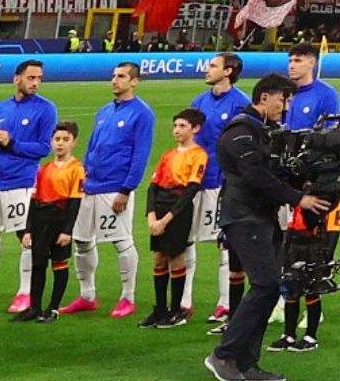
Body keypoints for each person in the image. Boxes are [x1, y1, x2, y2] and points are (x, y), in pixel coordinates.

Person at [207, 74, 331, 381]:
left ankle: (247, 362)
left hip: (260, 216)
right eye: (282, 99)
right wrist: (298, 198)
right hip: (243, 216)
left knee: (272, 285)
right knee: (265, 284)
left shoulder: (262, 130)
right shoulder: (241, 130)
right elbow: (255, 175)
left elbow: (270, 172)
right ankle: (224, 354)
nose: (285, 106)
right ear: (264, 97)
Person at [66, 61, 155, 318]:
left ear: (134, 81)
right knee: (81, 241)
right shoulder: (104, 111)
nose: (115, 81)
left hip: (115, 187)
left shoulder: (142, 113)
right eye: (114, 76)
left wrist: (126, 189)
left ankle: (128, 297)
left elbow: (141, 154)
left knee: (121, 241)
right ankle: (87, 295)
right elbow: (92, 146)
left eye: (121, 76)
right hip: (90, 186)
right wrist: (83, 175)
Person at [0, 59, 57, 313]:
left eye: (39, 78)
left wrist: (11, 142)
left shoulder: (46, 109)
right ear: (16, 79)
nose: (36, 83)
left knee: (26, 236)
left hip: (22, 182)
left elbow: (44, 148)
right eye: (31, 78)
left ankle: (25, 293)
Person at [184, 52, 252, 320]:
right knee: (186, 240)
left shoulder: (240, 104)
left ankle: (224, 302)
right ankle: (184, 300)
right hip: (192, 182)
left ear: (228, 71)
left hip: (221, 183)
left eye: (212, 66)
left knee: (223, 243)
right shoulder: (198, 102)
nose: (206, 69)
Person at [272, 133, 340, 354]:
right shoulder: (300, 188)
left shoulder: (330, 192)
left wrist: (326, 254)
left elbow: (328, 223)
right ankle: (289, 334)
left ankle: (311, 336)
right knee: (290, 288)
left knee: (312, 290)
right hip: (293, 239)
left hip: (313, 242)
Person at [136, 108, 208, 328]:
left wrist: (164, 220)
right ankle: (160, 309)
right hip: (159, 208)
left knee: (176, 257)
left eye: (182, 126)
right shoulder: (167, 155)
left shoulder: (199, 155)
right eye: (175, 125)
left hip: (177, 211)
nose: (176, 130)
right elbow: (152, 187)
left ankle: (176, 310)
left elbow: (190, 191)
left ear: (195, 129)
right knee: (158, 258)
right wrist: (151, 217)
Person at [16, 124, 84, 322]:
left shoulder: (76, 169)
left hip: (60, 219)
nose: (60, 144)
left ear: (74, 142)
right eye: (57, 139)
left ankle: (53, 308)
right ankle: (34, 307)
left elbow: (74, 201)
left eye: (65, 139)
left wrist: (67, 230)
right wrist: (28, 229)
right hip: (41, 219)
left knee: (59, 263)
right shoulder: (44, 169)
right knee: (38, 264)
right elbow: (34, 200)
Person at [282, 43, 340, 131]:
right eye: (290, 61)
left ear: (312, 62)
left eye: (297, 61)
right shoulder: (282, 91)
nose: (291, 66)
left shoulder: (326, 94)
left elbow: (330, 130)